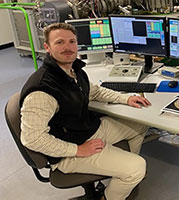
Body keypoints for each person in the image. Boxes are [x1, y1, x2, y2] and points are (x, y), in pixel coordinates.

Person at [20, 22, 151, 200]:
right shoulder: (43, 89)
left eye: (72, 42)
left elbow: (94, 91)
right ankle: (113, 190)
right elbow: (33, 139)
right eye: (60, 42)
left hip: (87, 130)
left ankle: (122, 175)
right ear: (47, 47)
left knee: (139, 124)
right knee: (137, 167)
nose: (68, 47)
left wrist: (125, 98)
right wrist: (77, 150)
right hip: (68, 151)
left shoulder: (73, 70)